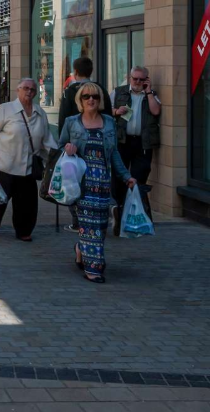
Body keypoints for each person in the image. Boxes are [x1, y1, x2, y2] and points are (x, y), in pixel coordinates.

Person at [59, 82, 137, 283]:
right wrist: (67, 150)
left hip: (103, 184)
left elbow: (114, 154)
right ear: (80, 101)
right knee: (89, 225)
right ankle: (93, 268)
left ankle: (80, 249)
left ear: (100, 100)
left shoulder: (110, 122)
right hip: (81, 184)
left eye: (94, 96)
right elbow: (59, 149)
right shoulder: (72, 122)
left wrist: (126, 176)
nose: (91, 99)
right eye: (86, 97)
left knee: (101, 227)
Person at [0, 78, 56, 240]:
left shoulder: (40, 113)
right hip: (5, 164)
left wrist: (57, 157)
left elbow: (47, 139)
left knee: (27, 203)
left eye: (32, 89)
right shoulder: (5, 109)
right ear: (18, 90)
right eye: (26, 88)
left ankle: (24, 231)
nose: (29, 92)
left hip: (28, 167)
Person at [56, 57, 111, 232]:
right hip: (98, 145)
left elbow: (63, 119)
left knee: (75, 182)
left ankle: (78, 220)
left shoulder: (69, 91)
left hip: (75, 146)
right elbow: (108, 116)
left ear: (75, 72)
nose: (90, 100)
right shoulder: (100, 89)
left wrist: (63, 146)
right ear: (91, 71)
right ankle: (98, 214)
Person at [111, 66, 161, 235]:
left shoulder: (150, 95)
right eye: (135, 79)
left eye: (142, 79)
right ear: (129, 78)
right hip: (122, 142)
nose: (138, 82)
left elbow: (155, 111)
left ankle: (136, 217)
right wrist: (117, 111)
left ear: (147, 80)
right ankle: (119, 215)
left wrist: (148, 92)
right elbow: (105, 111)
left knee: (139, 180)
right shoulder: (119, 92)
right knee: (120, 179)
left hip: (142, 144)